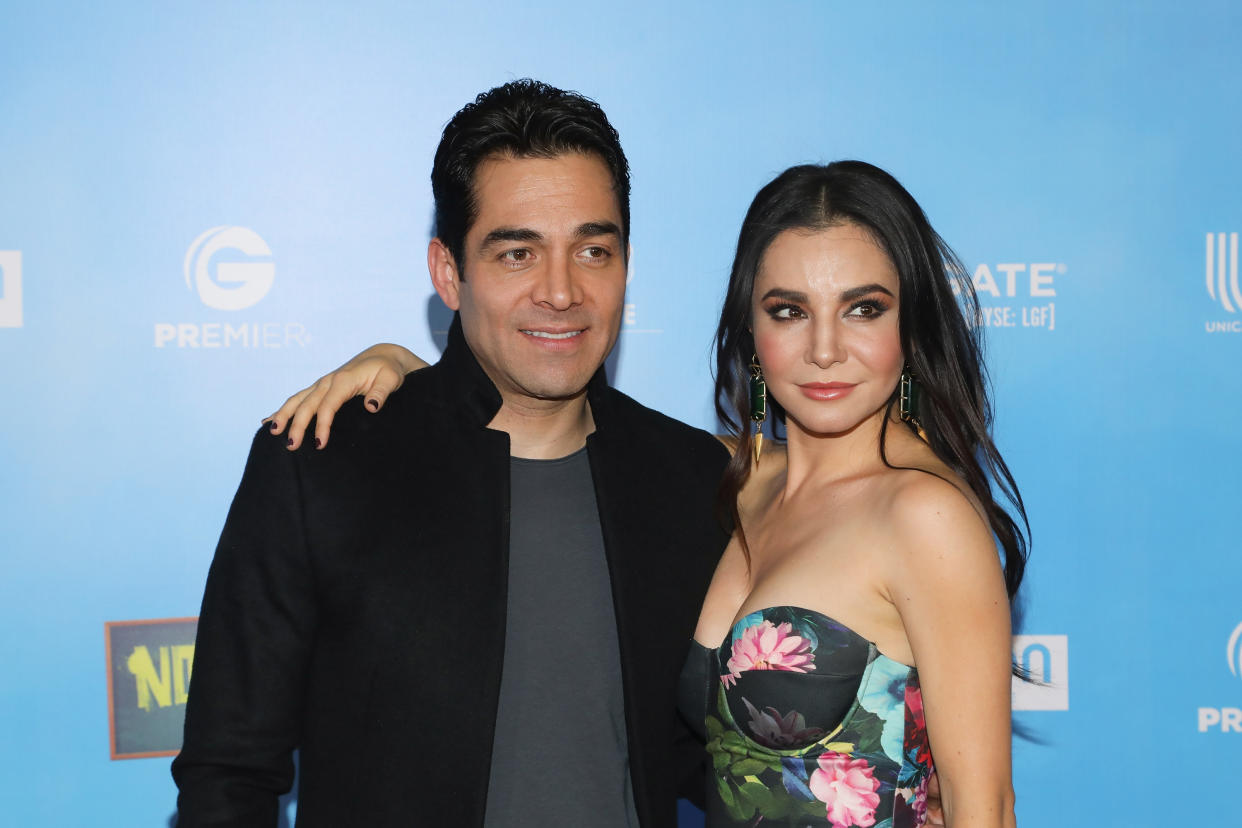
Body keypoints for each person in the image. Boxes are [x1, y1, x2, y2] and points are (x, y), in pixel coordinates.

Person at [270, 163, 1026, 825]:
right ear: (751, 332)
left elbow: (983, 809)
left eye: (864, 308)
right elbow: (558, 426)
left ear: (911, 324)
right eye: (789, 311)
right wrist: (401, 365)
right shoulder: (727, 479)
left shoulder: (923, 516)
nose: (825, 348)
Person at [172, 79, 732, 828]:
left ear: (626, 264)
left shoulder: (691, 480)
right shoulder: (321, 462)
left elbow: (715, 759)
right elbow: (228, 775)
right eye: (516, 254)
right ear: (448, 272)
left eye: (592, 250)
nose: (561, 291)